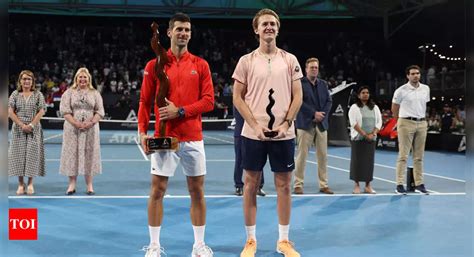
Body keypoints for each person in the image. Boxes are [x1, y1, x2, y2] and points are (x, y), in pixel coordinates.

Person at [138, 13, 214, 257]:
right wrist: (141, 131)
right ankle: (154, 246)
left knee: (197, 191)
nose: (184, 33)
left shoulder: (201, 65)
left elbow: (209, 102)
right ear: (169, 33)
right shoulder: (154, 65)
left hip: (193, 137)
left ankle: (199, 246)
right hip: (164, 137)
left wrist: (180, 111)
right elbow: (144, 101)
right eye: (179, 29)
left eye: (187, 30)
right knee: (157, 191)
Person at [233, 8, 303, 257]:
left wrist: (286, 124)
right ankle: (250, 240)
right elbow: (237, 98)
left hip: (284, 133)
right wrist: (254, 125)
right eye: (264, 24)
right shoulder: (246, 61)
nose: (269, 27)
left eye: (273, 23)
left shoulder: (290, 60)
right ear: (256, 29)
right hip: (253, 133)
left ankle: (284, 240)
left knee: (284, 186)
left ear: (278, 28)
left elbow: (298, 96)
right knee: (250, 184)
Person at [59, 67, 104, 195]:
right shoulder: (68, 93)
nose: (82, 79)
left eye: (85, 77)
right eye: (80, 77)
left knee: (90, 154)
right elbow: (65, 110)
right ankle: (72, 185)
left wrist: (90, 123)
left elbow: (100, 111)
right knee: (72, 154)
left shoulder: (95, 93)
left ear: (89, 79)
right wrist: (76, 123)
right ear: (76, 79)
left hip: (91, 129)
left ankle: (89, 185)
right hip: (72, 129)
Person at [293, 57, 333, 195]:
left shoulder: (323, 84)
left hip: (322, 124)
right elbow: (298, 102)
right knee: (302, 156)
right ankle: (298, 184)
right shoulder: (299, 83)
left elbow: (329, 101)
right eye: (312, 67)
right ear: (306, 69)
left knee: (323, 156)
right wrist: (313, 114)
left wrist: (322, 115)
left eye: (316, 67)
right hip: (305, 124)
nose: (314, 69)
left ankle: (324, 184)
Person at [391, 65, 430, 195]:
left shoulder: (426, 89)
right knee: (403, 155)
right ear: (407, 76)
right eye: (412, 73)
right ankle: (399, 184)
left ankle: (419, 184)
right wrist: (399, 121)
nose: (415, 76)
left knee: (419, 157)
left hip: (422, 123)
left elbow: (424, 105)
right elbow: (394, 108)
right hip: (405, 122)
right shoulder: (401, 90)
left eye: (417, 73)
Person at [8, 70, 46, 195]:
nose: (26, 81)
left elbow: (41, 111)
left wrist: (30, 125)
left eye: (29, 79)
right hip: (18, 129)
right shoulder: (14, 94)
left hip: (33, 129)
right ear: (20, 81)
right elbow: (10, 111)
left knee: (32, 156)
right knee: (18, 156)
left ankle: (30, 183)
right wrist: (21, 125)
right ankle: (20, 184)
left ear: (32, 81)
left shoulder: (38, 95)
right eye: (24, 79)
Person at [348, 86, 382, 194]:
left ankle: (368, 186)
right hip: (358, 139)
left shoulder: (375, 107)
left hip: (371, 139)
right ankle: (356, 185)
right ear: (358, 95)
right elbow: (354, 123)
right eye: (363, 92)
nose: (365, 94)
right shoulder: (354, 107)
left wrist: (373, 134)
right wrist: (364, 134)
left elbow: (379, 122)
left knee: (369, 163)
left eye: (367, 92)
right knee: (357, 162)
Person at [233, 107, 265, 196]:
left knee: (259, 160)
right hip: (240, 134)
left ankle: (259, 186)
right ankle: (238, 186)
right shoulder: (238, 100)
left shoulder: (255, 102)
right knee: (239, 160)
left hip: (255, 134)